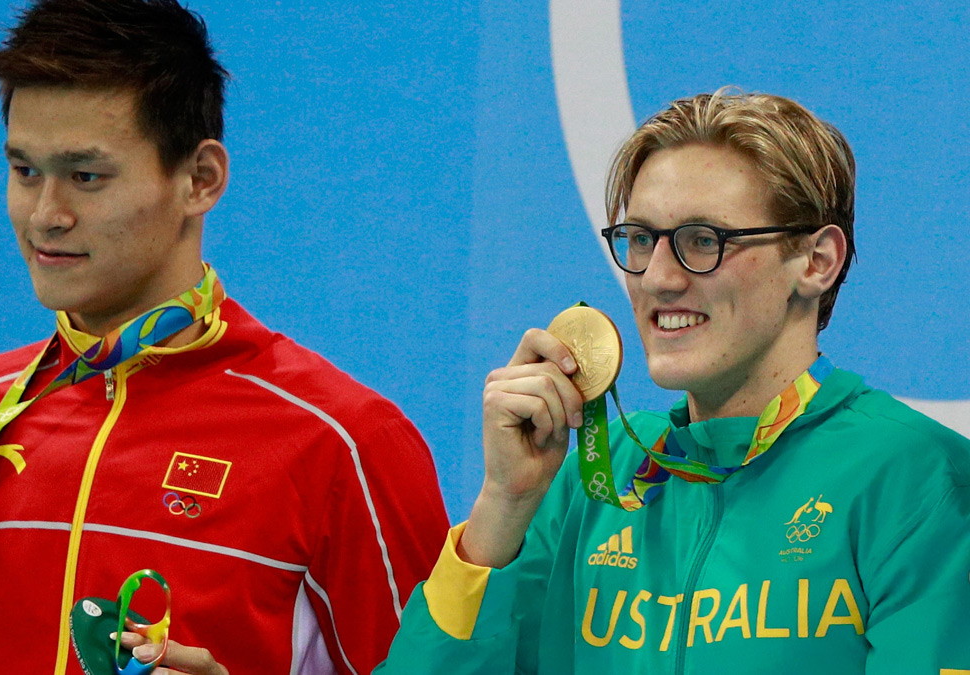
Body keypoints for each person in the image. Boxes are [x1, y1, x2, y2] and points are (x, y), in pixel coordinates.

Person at [0, 1, 449, 673]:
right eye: (25, 171)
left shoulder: (342, 442)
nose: (46, 214)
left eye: (86, 176)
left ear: (200, 179)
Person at [375, 89, 970, 673]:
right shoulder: (588, 478)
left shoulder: (917, 479)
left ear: (816, 262)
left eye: (702, 241)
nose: (658, 278)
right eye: (640, 240)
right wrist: (503, 505)